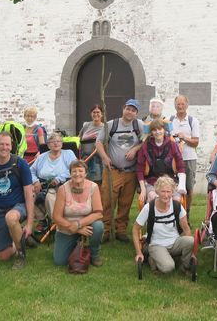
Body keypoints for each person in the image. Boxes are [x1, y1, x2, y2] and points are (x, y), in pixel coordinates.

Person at [0, 131, 34, 270]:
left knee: (11, 217)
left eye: (7, 144)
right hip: (0, 211)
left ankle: (21, 255)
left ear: (11, 147)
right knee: (3, 256)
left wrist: (30, 224)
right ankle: (18, 239)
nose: (4, 147)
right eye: (1, 144)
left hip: (19, 206)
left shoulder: (20, 164)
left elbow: (29, 194)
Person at [95, 99, 145, 243]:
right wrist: (104, 157)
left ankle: (121, 230)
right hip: (112, 171)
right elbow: (98, 142)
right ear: (123, 109)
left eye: (133, 110)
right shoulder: (111, 124)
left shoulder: (138, 125)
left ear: (136, 113)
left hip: (131, 172)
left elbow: (147, 139)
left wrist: (135, 149)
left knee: (126, 202)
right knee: (108, 201)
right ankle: (105, 230)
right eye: (128, 109)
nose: (130, 112)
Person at [132, 176, 193, 275]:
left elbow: (186, 229)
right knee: (169, 267)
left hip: (174, 242)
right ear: (157, 192)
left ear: (173, 192)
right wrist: (139, 253)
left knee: (191, 241)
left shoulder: (177, 206)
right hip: (156, 244)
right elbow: (135, 230)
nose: (166, 195)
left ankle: (185, 266)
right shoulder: (149, 208)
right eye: (163, 191)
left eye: (169, 192)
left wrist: (193, 254)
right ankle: (153, 259)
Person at [52, 160, 104, 267]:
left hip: (86, 225)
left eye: (80, 171)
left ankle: (94, 253)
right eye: (74, 171)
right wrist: (75, 228)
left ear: (85, 173)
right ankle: (76, 243)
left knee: (98, 226)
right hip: (67, 227)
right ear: (70, 174)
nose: (77, 174)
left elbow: (99, 213)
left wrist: (79, 224)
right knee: (60, 261)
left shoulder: (93, 187)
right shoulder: (63, 189)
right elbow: (56, 217)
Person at [137, 119, 186, 205]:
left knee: (176, 200)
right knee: (153, 197)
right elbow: (139, 169)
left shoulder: (172, 145)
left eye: (160, 129)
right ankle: (153, 218)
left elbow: (180, 166)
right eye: (154, 130)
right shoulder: (145, 147)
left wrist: (181, 185)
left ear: (164, 130)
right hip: (152, 182)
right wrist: (143, 190)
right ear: (151, 132)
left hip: (171, 181)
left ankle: (174, 218)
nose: (157, 132)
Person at [30, 132, 78, 221]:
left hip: (62, 185)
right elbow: (31, 171)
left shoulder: (68, 154)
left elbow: (74, 169)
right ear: (48, 145)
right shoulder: (41, 157)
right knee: (29, 194)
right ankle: (42, 220)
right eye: (52, 142)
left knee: (50, 196)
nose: (56, 143)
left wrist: (59, 178)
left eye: (58, 141)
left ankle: (57, 221)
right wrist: (35, 181)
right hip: (42, 184)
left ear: (62, 143)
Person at [170, 95, 200, 220]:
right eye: (178, 104)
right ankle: (173, 213)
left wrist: (184, 138)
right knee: (172, 186)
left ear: (187, 105)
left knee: (189, 187)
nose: (180, 106)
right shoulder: (170, 120)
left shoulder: (193, 121)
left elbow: (196, 142)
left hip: (189, 158)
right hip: (172, 159)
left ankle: (186, 215)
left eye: (182, 104)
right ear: (175, 105)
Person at [78, 104, 105, 185]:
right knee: (85, 182)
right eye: (94, 112)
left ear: (102, 114)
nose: (96, 114)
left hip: (98, 160)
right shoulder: (86, 126)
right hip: (85, 159)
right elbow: (79, 139)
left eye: (98, 112)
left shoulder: (105, 127)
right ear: (91, 113)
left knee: (97, 183)